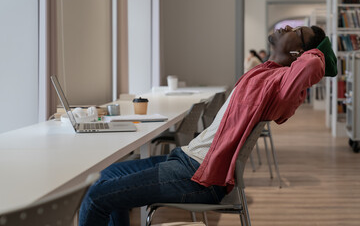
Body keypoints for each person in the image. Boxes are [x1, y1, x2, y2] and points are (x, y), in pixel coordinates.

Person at [79, 25, 327, 226]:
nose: (287, 28)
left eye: (298, 32)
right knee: (103, 177)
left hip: (200, 178)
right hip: (186, 158)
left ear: (299, 52)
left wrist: (313, 52)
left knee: (97, 196)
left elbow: (314, 65)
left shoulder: (282, 86)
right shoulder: (266, 72)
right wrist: (291, 48)